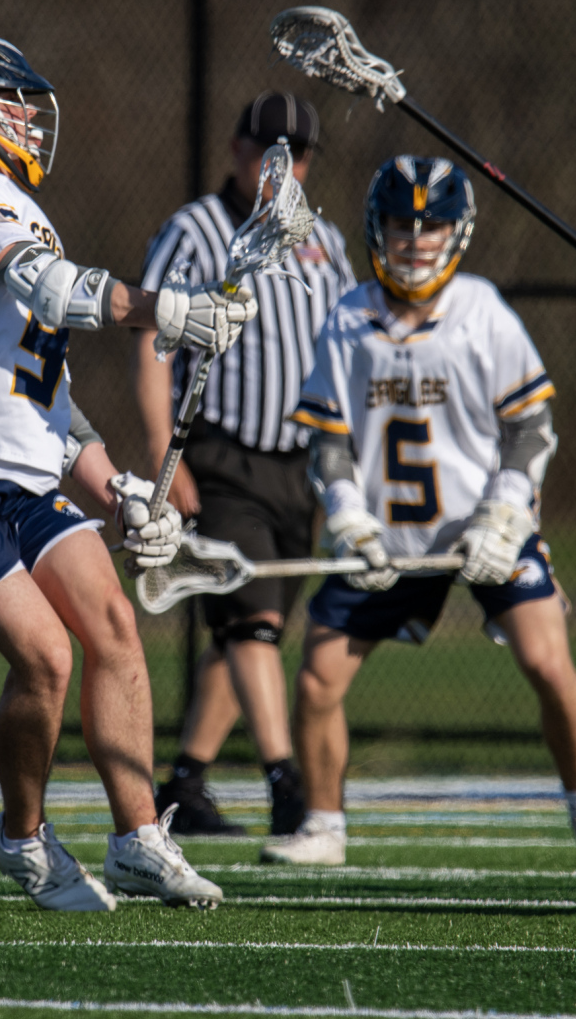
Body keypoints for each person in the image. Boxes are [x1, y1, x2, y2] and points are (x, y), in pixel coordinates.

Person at [0, 33, 257, 911]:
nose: (30, 118)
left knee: (112, 623)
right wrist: (170, 310)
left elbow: (47, 406)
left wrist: (120, 491)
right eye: (11, 100)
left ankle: (138, 839)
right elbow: (55, 291)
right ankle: (21, 836)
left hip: (16, 477)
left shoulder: (26, 211)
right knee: (46, 655)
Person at [261, 155, 576, 867]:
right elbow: (328, 441)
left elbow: (530, 428)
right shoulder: (349, 318)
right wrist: (348, 517)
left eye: (430, 224)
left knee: (548, 659)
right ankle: (324, 825)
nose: (414, 239)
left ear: (457, 231)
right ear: (376, 229)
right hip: (387, 538)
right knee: (317, 675)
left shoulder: (481, 311)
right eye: (401, 224)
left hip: (483, 529)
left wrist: (503, 515)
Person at [136, 92, 356, 836]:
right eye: (268, 152)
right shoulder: (196, 230)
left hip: (302, 465)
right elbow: (151, 343)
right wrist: (166, 455)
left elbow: (350, 342)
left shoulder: (324, 240)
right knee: (253, 621)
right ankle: (286, 783)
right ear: (237, 150)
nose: (281, 168)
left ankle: (185, 785)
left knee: (247, 632)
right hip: (224, 457)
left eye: (297, 155)